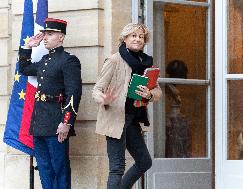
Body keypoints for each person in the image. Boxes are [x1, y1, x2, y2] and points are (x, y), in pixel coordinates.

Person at [92, 23, 162, 189]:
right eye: (133, 36)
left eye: (141, 37)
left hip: (132, 119)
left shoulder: (147, 63)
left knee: (144, 161)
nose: (137, 39)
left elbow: (157, 90)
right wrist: (104, 99)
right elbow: (97, 89)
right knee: (117, 168)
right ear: (125, 39)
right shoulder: (114, 60)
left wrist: (149, 94)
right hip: (115, 118)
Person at [18, 18, 82, 189]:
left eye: (50, 34)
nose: (45, 37)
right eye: (45, 33)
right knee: (45, 168)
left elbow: (74, 93)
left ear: (61, 37)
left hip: (56, 124)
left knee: (59, 168)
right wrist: (28, 46)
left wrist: (66, 122)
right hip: (39, 123)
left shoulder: (69, 60)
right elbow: (24, 69)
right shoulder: (45, 61)